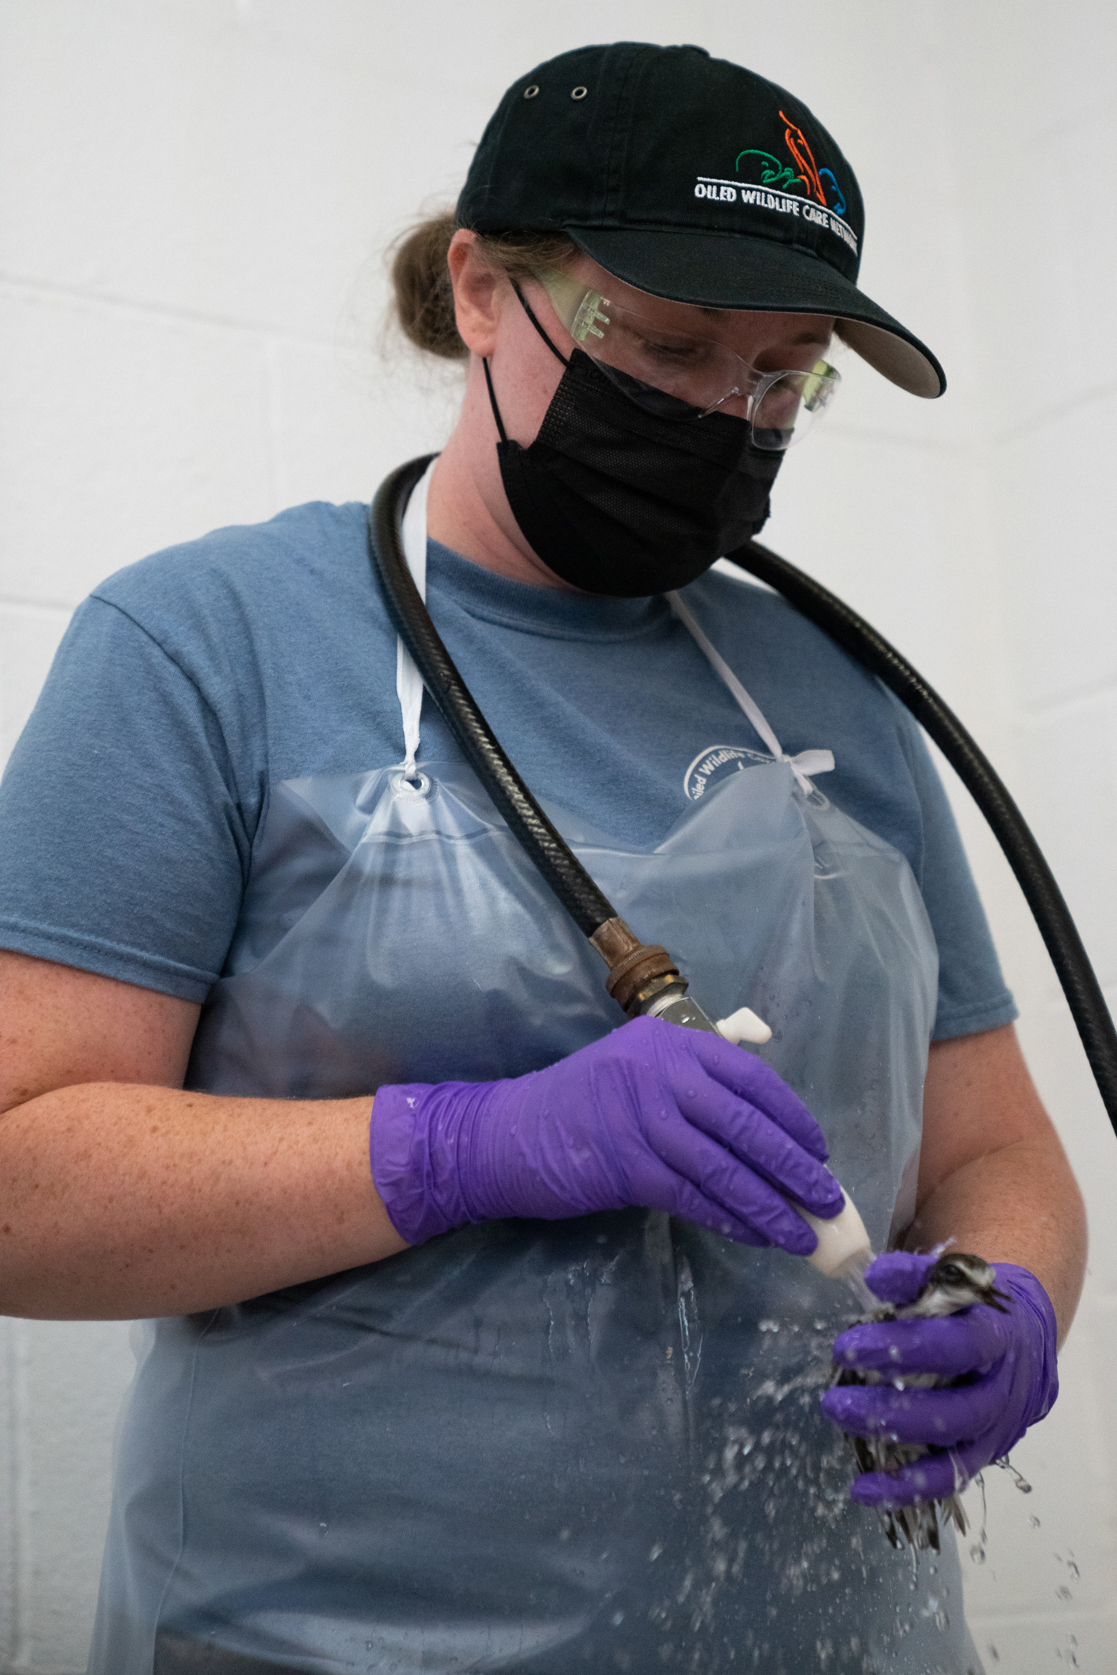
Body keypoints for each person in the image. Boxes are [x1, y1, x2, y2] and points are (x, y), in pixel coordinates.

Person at [0, 42, 1084, 1675]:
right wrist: (465, 1147)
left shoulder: (835, 698)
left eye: (786, 376)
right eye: (667, 342)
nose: (731, 416)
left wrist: (1002, 1305)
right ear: (481, 290)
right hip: (328, 1639)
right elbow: (20, 1183)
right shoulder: (208, 642)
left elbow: (996, 1153)